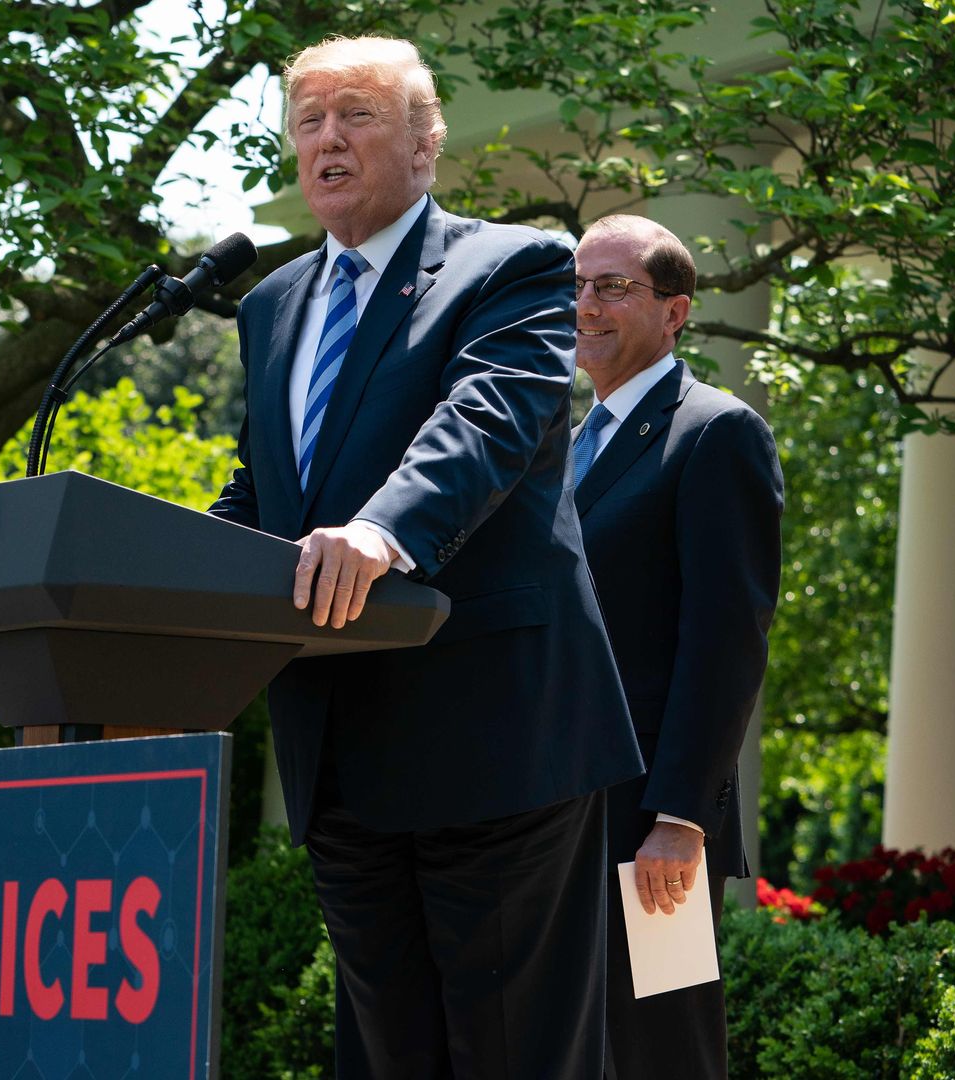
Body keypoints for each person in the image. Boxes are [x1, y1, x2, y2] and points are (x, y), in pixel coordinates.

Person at [208, 35, 643, 1078]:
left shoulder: (515, 267)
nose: (327, 140)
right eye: (308, 121)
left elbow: (486, 421)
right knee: (388, 1056)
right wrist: (162, 574)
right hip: (341, 749)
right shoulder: (270, 306)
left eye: (355, 115)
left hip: (492, 737)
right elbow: (262, 490)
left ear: (426, 141)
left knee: (508, 1055)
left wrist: (383, 527)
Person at [568, 215, 783, 1079]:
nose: (585, 305)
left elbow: (726, 641)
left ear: (676, 311)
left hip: (652, 828)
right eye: (577, 285)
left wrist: (681, 819)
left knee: (666, 1055)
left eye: (613, 287)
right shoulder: (557, 441)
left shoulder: (716, 432)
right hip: (546, 811)